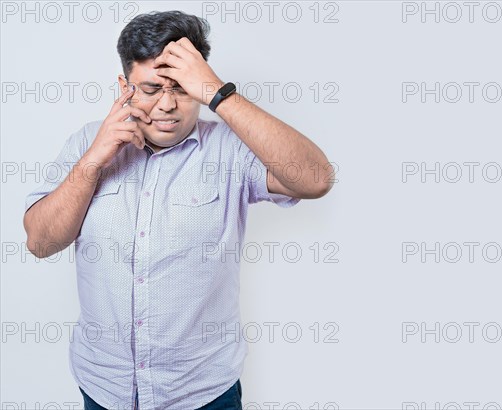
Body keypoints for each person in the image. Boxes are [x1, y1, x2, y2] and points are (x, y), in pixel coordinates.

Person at [23, 10, 333, 410]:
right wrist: (93, 162)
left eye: (183, 89)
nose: (168, 105)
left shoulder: (230, 149)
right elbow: (40, 242)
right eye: (151, 88)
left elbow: (316, 179)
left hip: (201, 393)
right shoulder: (86, 142)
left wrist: (217, 93)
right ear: (124, 86)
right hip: (105, 389)